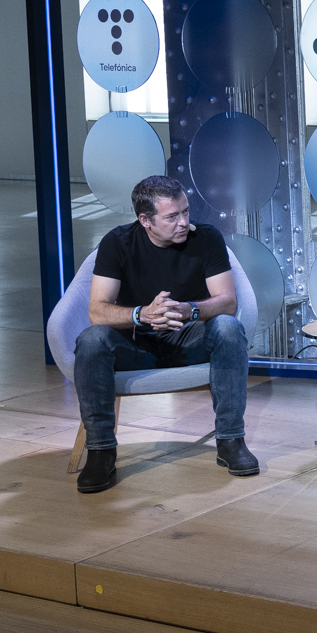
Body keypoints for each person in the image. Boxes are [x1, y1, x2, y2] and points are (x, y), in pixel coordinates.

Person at [72, 174, 256, 494]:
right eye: (172, 217)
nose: (184, 222)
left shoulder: (206, 238)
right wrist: (141, 315)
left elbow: (228, 302)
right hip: (136, 344)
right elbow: (96, 311)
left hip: (190, 339)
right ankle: (101, 451)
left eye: (185, 211)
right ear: (145, 220)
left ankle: (230, 441)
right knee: (91, 339)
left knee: (229, 328)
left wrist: (189, 310)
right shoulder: (118, 243)